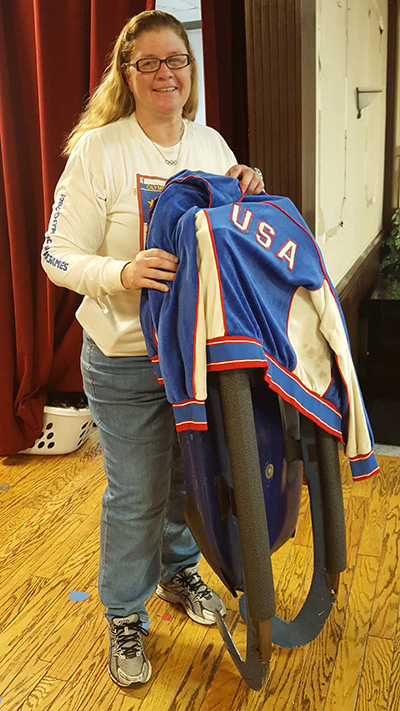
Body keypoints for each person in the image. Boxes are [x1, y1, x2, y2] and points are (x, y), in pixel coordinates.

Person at [42, 10, 264, 688]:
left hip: (196, 354)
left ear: (190, 73)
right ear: (128, 74)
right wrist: (123, 272)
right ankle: (124, 614)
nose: (166, 73)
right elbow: (57, 255)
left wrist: (244, 192)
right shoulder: (99, 152)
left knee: (184, 480)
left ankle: (176, 570)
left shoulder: (210, 142)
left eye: (178, 61)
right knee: (136, 492)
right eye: (151, 63)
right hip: (126, 355)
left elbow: (222, 244)